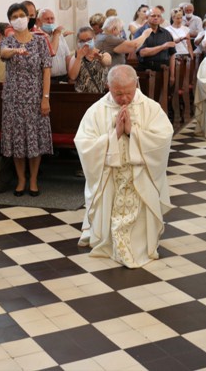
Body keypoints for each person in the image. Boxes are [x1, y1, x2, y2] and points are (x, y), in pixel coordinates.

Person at [74, 65, 173, 268]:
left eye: (128, 92)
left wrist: (133, 132)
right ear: (107, 86)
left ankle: (140, 244)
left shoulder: (151, 108)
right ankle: (109, 241)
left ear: (136, 84)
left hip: (141, 177)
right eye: (118, 94)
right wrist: (114, 135)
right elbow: (84, 144)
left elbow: (163, 138)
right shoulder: (96, 111)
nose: (124, 99)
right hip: (111, 177)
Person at [0, 3, 52, 196]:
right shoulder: (8, 41)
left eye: (22, 15)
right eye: (15, 16)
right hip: (13, 99)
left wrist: (45, 98)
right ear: (10, 20)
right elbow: (3, 53)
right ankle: (21, 179)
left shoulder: (40, 42)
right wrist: (15, 51)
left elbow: (46, 72)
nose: (19, 18)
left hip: (35, 98)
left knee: (34, 140)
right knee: (18, 140)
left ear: (28, 18)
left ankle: (34, 179)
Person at [68, 26, 111, 93]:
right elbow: (73, 77)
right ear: (78, 42)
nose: (86, 42)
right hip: (81, 97)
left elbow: (108, 62)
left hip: (100, 95)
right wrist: (79, 58)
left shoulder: (103, 53)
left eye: (88, 39)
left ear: (94, 38)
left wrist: (101, 58)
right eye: (82, 41)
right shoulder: (75, 57)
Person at [137, 8, 176, 80]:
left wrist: (172, 75)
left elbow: (172, 54)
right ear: (147, 17)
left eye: (158, 16)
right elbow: (143, 52)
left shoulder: (166, 33)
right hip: (146, 71)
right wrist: (162, 47)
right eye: (153, 16)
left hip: (164, 71)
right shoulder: (140, 32)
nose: (156, 18)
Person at [36, 8, 71, 82]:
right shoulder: (38, 37)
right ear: (39, 21)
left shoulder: (59, 35)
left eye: (52, 18)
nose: (50, 21)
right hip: (47, 80)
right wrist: (56, 35)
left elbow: (67, 56)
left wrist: (70, 76)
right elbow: (51, 52)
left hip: (64, 77)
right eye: (47, 19)